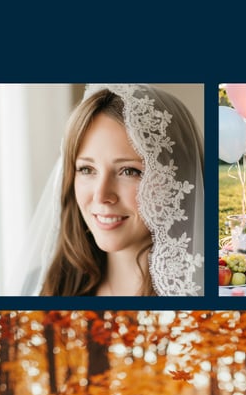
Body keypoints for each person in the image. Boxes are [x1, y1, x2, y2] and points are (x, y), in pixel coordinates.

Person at [15, 84, 205, 297]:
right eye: (86, 169)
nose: (101, 196)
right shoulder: (40, 286)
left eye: (129, 171)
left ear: (176, 179)